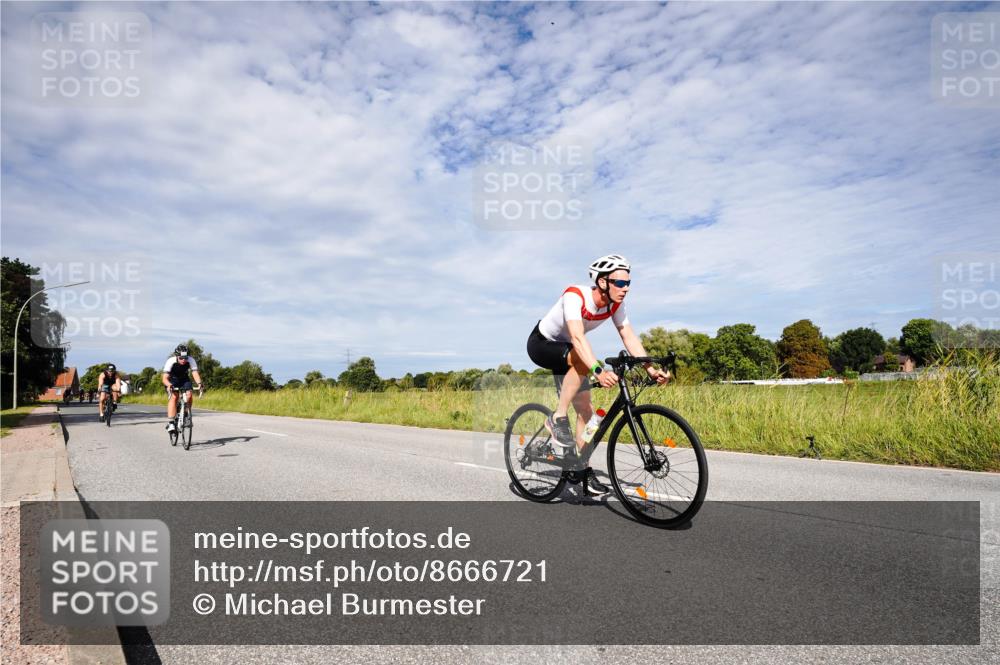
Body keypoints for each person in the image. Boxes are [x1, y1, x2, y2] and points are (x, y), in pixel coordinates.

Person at [526, 254, 671, 496]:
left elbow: (629, 336)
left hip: (572, 355)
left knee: (589, 414)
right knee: (582, 358)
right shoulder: (575, 296)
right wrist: (598, 372)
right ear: (603, 282)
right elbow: (577, 337)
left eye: (628, 283)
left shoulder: (616, 304)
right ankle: (557, 417)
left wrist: (650, 369)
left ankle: (580, 467)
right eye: (620, 283)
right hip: (543, 344)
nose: (625, 289)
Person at [162, 344, 204, 433]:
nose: (184, 360)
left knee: (189, 395)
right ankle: (171, 423)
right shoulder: (171, 361)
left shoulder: (191, 360)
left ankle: (186, 415)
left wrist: (199, 383)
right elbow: (164, 378)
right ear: (177, 356)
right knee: (174, 396)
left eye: (185, 357)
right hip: (171, 379)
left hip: (184, 378)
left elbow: (195, 373)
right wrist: (169, 385)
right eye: (181, 358)